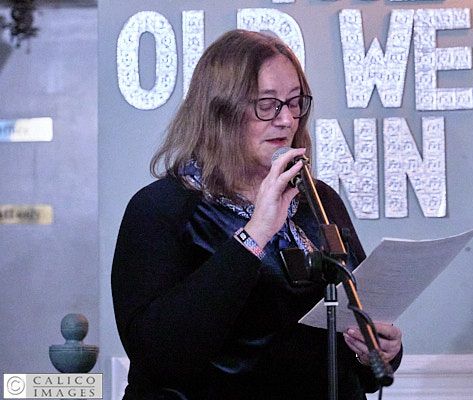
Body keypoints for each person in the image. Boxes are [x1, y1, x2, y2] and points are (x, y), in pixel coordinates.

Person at [111, 29, 403, 400]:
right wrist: (256, 233)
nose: (287, 119)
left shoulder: (319, 199)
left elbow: (353, 329)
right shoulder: (161, 208)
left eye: (295, 102)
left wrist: (376, 351)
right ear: (220, 111)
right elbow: (158, 356)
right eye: (267, 104)